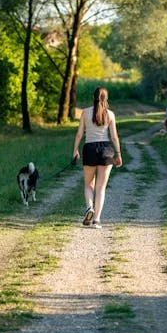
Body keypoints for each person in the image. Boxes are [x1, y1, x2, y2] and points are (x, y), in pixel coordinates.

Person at [72, 87, 123, 229]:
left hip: (89, 149)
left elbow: (79, 134)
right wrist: (118, 154)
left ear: (93, 97)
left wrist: (75, 150)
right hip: (107, 150)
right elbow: (114, 136)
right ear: (106, 98)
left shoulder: (85, 113)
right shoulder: (110, 114)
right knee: (101, 187)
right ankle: (97, 220)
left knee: (89, 184)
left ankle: (89, 208)